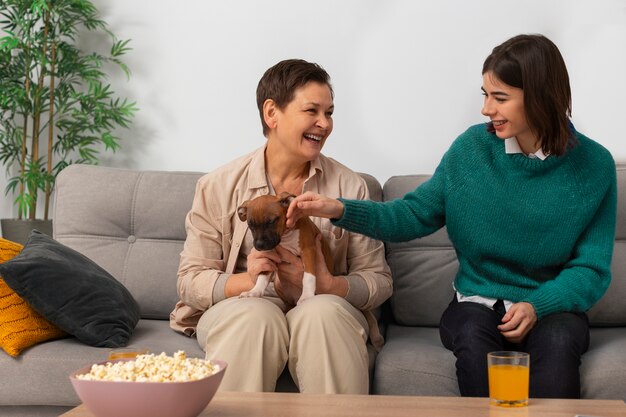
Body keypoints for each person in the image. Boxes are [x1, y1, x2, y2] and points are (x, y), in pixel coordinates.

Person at [286, 34, 617, 399]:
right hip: (475, 304)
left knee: (557, 345)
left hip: (553, 307)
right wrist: (340, 209)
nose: (486, 109)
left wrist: (538, 306)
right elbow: (412, 215)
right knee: (474, 341)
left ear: (540, 98)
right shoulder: (471, 150)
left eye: (500, 98)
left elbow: (591, 269)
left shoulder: (594, 166)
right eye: (485, 95)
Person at [170, 59, 392, 394]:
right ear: (271, 113)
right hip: (246, 304)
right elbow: (189, 280)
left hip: (321, 302)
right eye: (312, 111)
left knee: (323, 316)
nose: (325, 123)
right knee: (252, 319)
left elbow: (379, 280)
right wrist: (245, 280)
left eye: (329, 112)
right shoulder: (217, 186)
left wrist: (330, 285)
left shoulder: (351, 187)